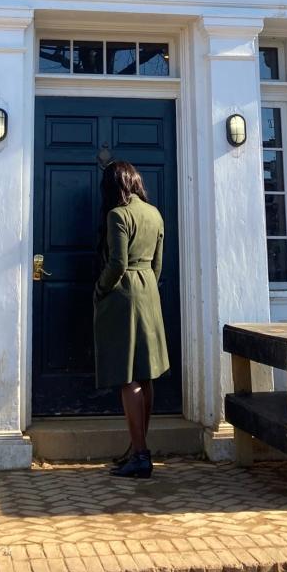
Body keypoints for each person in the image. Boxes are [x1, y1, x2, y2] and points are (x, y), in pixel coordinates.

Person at [93, 160, 170, 479]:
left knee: (128, 376)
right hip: (149, 292)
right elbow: (158, 265)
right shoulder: (154, 213)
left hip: (124, 296)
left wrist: (100, 289)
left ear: (113, 186)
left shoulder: (117, 215)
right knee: (146, 372)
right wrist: (147, 286)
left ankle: (140, 454)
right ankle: (138, 446)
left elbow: (117, 263)